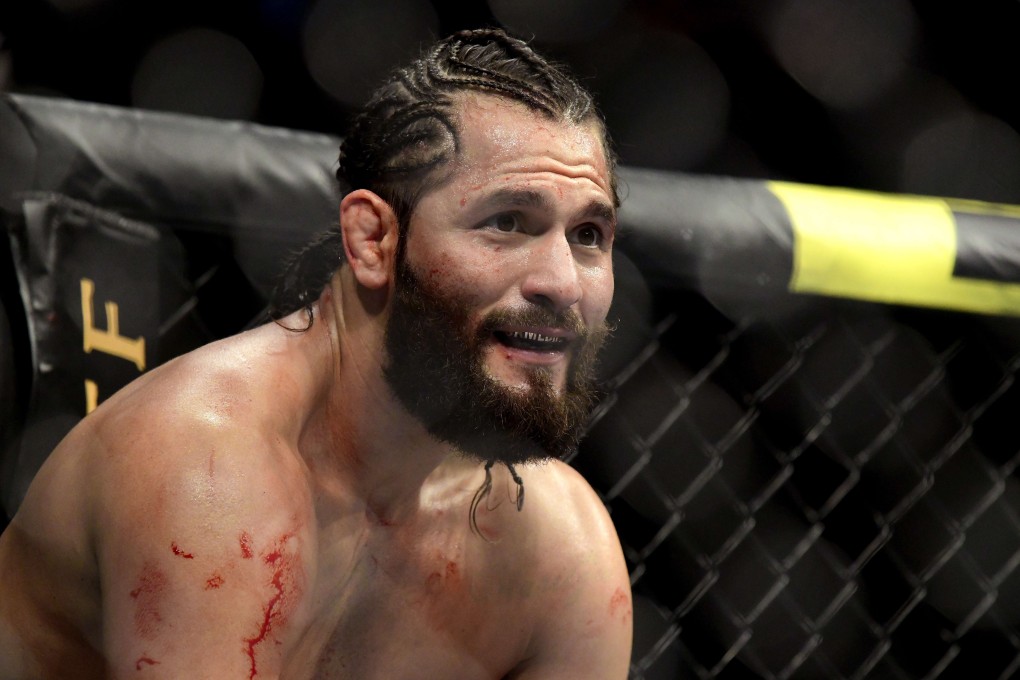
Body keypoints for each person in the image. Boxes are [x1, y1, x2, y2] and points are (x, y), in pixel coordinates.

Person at [0, 27, 632, 678]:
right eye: (506, 222)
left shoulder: (562, 548)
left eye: (588, 234)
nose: (562, 283)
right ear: (372, 240)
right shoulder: (208, 472)